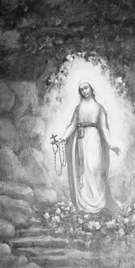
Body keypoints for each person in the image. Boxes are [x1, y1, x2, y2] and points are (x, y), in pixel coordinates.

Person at [51, 82, 121, 213]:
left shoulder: (99, 108)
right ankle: (85, 203)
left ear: (92, 88)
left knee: (94, 167)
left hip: (94, 139)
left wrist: (111, 144)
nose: (84, 91)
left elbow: (104, 127)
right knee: (83, 169)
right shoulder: (79, 107)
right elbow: (72, 124)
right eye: (81, 89)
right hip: (81, 140)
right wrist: (63, 139)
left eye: (86, 88)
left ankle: (98, 201)